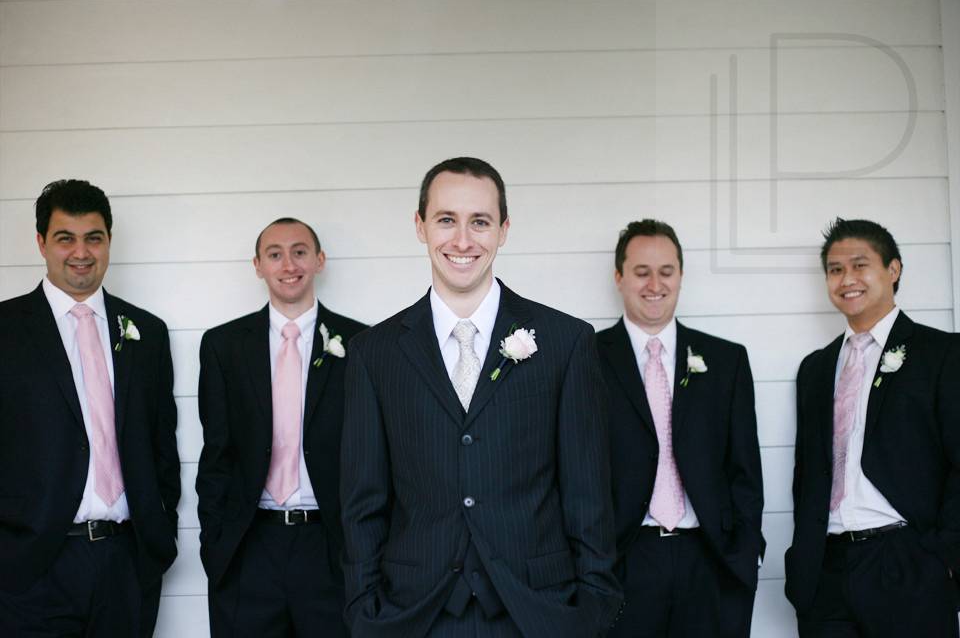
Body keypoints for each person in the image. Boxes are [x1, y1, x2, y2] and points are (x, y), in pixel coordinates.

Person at [340, 157, 623, 637]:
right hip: (413, 613)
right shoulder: (374, 353)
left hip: (538, 612)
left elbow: (588, 495)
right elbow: (363, 502)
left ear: (504, 229)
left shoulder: (565, 342)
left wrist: (591, 609)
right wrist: (366, 612)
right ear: (420, 226)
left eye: (480, 222)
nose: (463, 240)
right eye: (446, 220)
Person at [0, 179, 180, 637]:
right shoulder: (5, 330)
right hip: (32, 567)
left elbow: (161, 443)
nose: (81, 252)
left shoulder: (147, 333)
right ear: (41, 242)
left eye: (93, 238)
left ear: (109, 242)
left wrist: (162, 532)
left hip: (127, 562)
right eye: (66, 238)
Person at [785, 218, 960, 637]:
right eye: (835, 269)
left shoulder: (942, 353)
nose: (847, 279)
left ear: (893, 270)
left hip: (908, 564)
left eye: (860, 265)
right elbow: (807, 474)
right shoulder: (815, 368)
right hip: (826, 572)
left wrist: (943, 558)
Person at [196, 218, 365, 637]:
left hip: (329, 546)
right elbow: (216, 453)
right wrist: (216, 544)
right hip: (251, 543)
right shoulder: (224, 346)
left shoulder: (362, 344)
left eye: (300, 251)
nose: (288, 264)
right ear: (258, 265)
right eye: (275, 254)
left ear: (319, 260)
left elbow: (371, 454)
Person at [596, 219, 764, 637]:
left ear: (681, 276)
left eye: (666, 271)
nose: (655, 284)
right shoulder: (586, 359)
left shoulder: (726, 361)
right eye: (641, 272)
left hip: (708, 559)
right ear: (619, 277)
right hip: (623, 560)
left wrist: (745, 551)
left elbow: (745, 470)